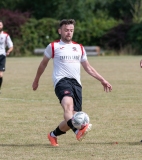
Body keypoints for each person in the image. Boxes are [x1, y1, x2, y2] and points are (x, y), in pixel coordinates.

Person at [32, 19, 112, 147]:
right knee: (68, 108)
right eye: (66, 30)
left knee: (73, 118)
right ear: (60, 31)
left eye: (71, 30)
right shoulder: (53, 46)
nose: (69, 33)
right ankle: (77, 131)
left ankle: (52, 135)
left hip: (76, 84)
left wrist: (102, 80)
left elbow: (88, 67)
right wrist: (36, 80)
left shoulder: (79, 47)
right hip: (61, 81)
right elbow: (43, 64)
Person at [0, 20, 13, 93]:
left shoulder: (5, 35)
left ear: (2, 26)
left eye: (0, 25)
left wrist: (8, 51)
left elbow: (11, 46)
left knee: (0, 75)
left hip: (2, 56)